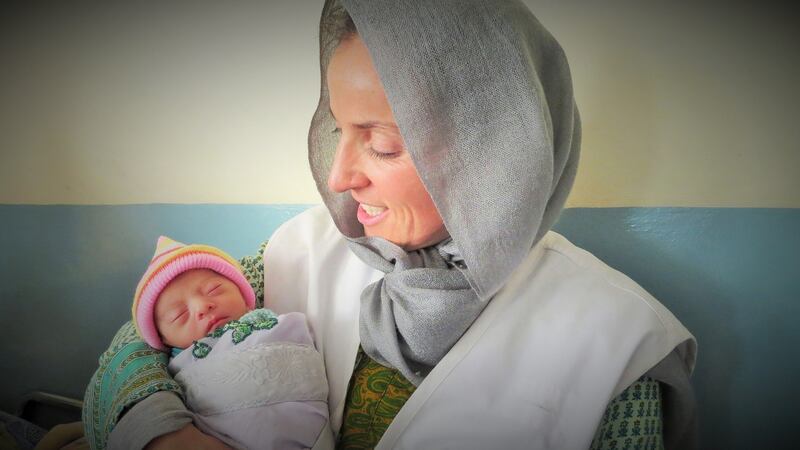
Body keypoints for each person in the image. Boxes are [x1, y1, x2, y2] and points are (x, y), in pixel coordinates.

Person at [83, 1, 697, 449]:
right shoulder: (298, 253)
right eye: (338, 132)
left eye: (380, 144)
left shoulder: (617, 344)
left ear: (494, 155)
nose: (339, 177)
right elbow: (133, 346)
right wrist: (166, 437)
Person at [129, 236, 330, 449]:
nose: (202, 306)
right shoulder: (174, 367)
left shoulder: (271, 323)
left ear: (243, 295)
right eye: (179, 315)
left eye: (213, 290)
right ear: (165, 340)